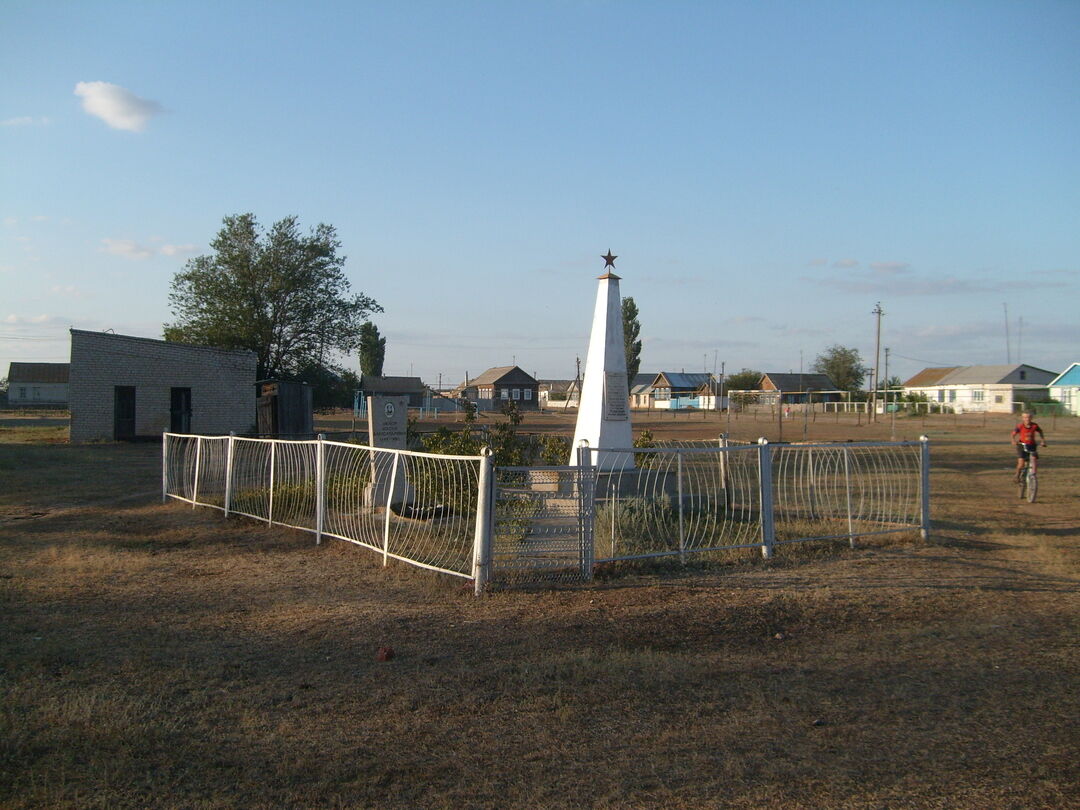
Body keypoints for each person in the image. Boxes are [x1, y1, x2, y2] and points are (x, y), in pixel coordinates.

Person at [1011, 411, 1047, 481]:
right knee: (1021, 463)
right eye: (1025, 417)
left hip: (1032, 445)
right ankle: (1017, 474)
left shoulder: (1034, 426)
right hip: (1022, 445)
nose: (1027, 419)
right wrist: (1013, 440)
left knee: (1034, 458)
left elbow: (1040, 431)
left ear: (1031, 418)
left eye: (1029, 417)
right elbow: (1013, 434)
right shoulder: (1020, 426)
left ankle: (1033, 474)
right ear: (1022, 418)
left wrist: (1043, 441)